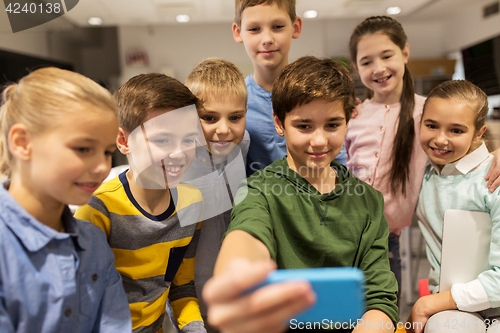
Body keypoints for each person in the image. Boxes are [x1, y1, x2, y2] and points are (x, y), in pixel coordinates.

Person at [206, 56, 398, 333]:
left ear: (347, 121)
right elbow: (247, 237)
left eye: (332, 125)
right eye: (304, 126)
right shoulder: (259, 190)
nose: (319, 141)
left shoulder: (368, 201)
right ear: (279, 123)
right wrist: (237, 278)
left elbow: (379, 298)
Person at [346, 16, 500, 302]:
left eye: (387, 55)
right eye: (366, 62)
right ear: (355, 67)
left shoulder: (428, 114)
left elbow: (466, 139)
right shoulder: (351, 116)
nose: (378, 68)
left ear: (405, 53)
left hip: (385, 242)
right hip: (342, 235)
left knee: (383, 317)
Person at [0, 67, 131, 332]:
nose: (101, 167)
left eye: (107, 152)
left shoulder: (93, 241)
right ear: (22, 142)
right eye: (83, 149)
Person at [75, 73, 206, 333]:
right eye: (162, 140)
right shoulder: (98, 208)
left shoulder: (192, 202)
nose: (179, 153)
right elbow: (84, 299)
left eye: (189, 139)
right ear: (123, 141)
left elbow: (181, 287)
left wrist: (195, 328)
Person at [408, 80, 500, 333]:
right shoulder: (425, 169)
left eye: (456, 130)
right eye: (431, 125)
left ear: (479, 133)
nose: (440, 139)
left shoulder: (493, 180)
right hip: (453, 309)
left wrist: (430, 303)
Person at [232, 0, 347, 176]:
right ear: (238, 32)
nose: (267, 40)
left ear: (295, 27)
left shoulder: (319, 94)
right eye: (254, 29)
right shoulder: (234, 101)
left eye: (277, 26)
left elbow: (339, 165)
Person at [183, 58, 249, 327]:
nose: (224, 129)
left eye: (235, 117)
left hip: (239, 292)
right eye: (209, 118)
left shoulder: (242, 145)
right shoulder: (179, 164)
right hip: (193, 298)